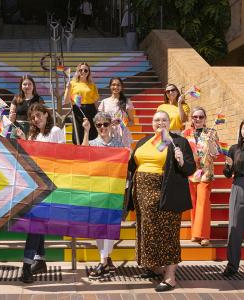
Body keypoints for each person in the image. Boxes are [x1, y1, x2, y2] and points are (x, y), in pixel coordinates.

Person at [125, 110, 195, 292]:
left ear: (170, 122)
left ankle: (170, 277)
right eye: (156, 120)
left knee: (168, 233)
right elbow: (132, 164)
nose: (160, 123)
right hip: (142, 194)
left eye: (164, 120)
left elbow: (189, 168)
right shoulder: (144, 141)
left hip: (166, 193)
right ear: (152, 123)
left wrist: (181, 161)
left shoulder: (178, 141)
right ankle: (155, 266)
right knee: (147, 231)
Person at [16, 103, 65, 283]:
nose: (36, 119)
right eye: (33, 117)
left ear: (46, 114)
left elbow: (62, 155)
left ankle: (26, 265)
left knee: (35, 224)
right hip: (37, 183)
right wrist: (25, 141)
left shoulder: (55, 131)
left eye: (39, 115)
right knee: (38, 223)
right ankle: (40, 259)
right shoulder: (33, 134)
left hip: (51, 183)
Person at [82, 112, 124, 278]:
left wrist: (119, 129)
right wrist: (86, 131)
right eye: (98, 125)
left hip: (113, 191)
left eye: (105, 124)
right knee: (100, 227)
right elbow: (82, 153)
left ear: (110, 125)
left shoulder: (118, 143)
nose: (102, 128)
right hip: (97, 190)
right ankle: (106, 259)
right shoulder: (93, 142)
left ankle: (104, 261)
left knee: (109, 225)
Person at [183, 107, 219, 247]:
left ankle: (204, 235)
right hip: (191, 173)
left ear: (205, 119)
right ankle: (195, 233)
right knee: (193, 203)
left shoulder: (211, 132)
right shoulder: (186, 133)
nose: (198, 119)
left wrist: (210, 143)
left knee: (203, 203)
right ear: (192, 118)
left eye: (201, 117)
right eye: (195, 117)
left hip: (206, 173)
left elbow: (216, 154)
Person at [222, 120, 244, 277]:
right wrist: (228, 166)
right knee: (235, 227)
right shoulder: (234, 149)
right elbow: (227, 173)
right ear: (241, 130)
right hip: (239, 186)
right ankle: (232, 265)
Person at [64, 62, 99, 145]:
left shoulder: (92, 85)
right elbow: (66, 101)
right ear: (78, 72)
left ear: (88, 72)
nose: (83, 72)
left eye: (86, 70)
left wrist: (98, 114)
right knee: (78, 134)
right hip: (78, 109)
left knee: (92, 134)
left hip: (91, 110)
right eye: (81, 70)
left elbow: (95, 101)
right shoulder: (72, 83)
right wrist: (68, 89)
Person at [98, 77, 134, 148]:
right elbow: (99, 121)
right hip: (108, 134)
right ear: (110, 86)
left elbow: (132, 122)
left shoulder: (126, 101)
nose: (116, 87)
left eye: (118, 85)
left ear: (121, 87)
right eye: (113, 85)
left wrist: (122, 122)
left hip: (123, 135)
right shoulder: (104, 102)